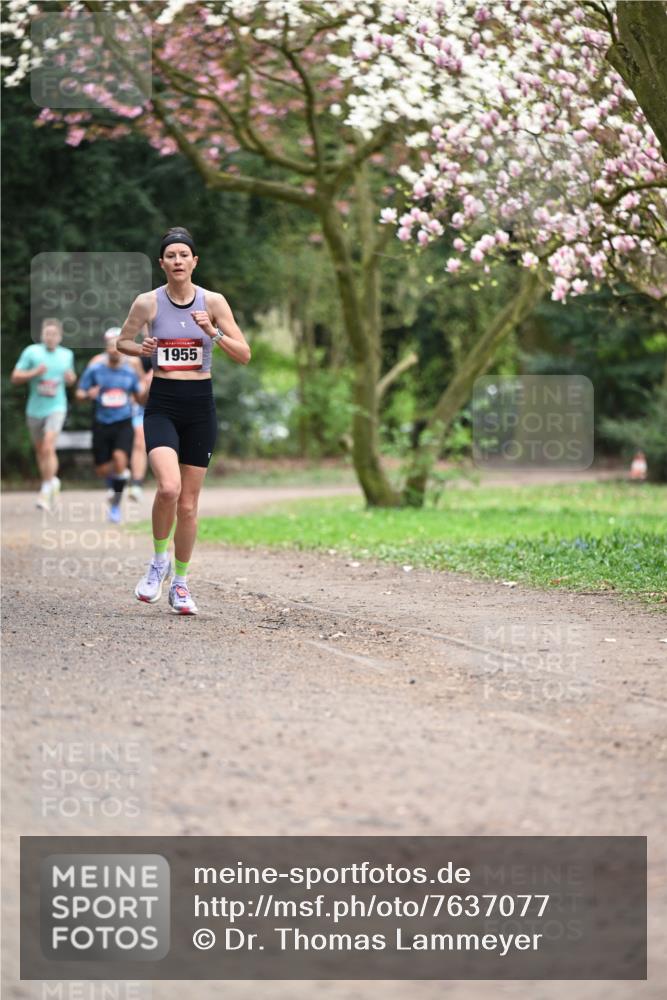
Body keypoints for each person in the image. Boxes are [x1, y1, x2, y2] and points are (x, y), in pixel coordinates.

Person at [117, 226, 251, 615]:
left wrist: (213, 333)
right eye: (170, 255)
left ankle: (180, 583)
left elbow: (244, 353)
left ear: (194, 261)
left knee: (189, 506)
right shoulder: (148, 303)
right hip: (163, 404)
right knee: (169, 489)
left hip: (200, 408)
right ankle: (158, 562)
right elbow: (121, 341)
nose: (177, 261)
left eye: (183, 255)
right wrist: (138, 347)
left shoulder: (214, 302)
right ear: (162, 263)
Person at [76, 328, 147, 523]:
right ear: (106, 349)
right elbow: (79, 394)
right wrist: (88, 394)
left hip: (123, 421)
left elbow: (140, 396)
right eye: (111, 347)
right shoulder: (95, 369)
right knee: (102, 469)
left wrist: (146, 392)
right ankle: (115, 480)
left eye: (118, 347)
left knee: (119, 458)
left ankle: (115, 505)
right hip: (101, 422)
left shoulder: (130, 371)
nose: (115, 351)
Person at [11, 318, 76, 511]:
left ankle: (46, 488)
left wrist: (70, 379)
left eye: (54, 334)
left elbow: (71, 380)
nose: (51, 338)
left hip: (57, 407)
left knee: (48, 446)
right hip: (35, 409)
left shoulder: (66, 355)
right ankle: (52, 482)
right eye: (48, 334)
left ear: (60, 336)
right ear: (42, 335)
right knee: (41, 451)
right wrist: (34, 373)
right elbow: (15, 377)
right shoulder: (32, 352)